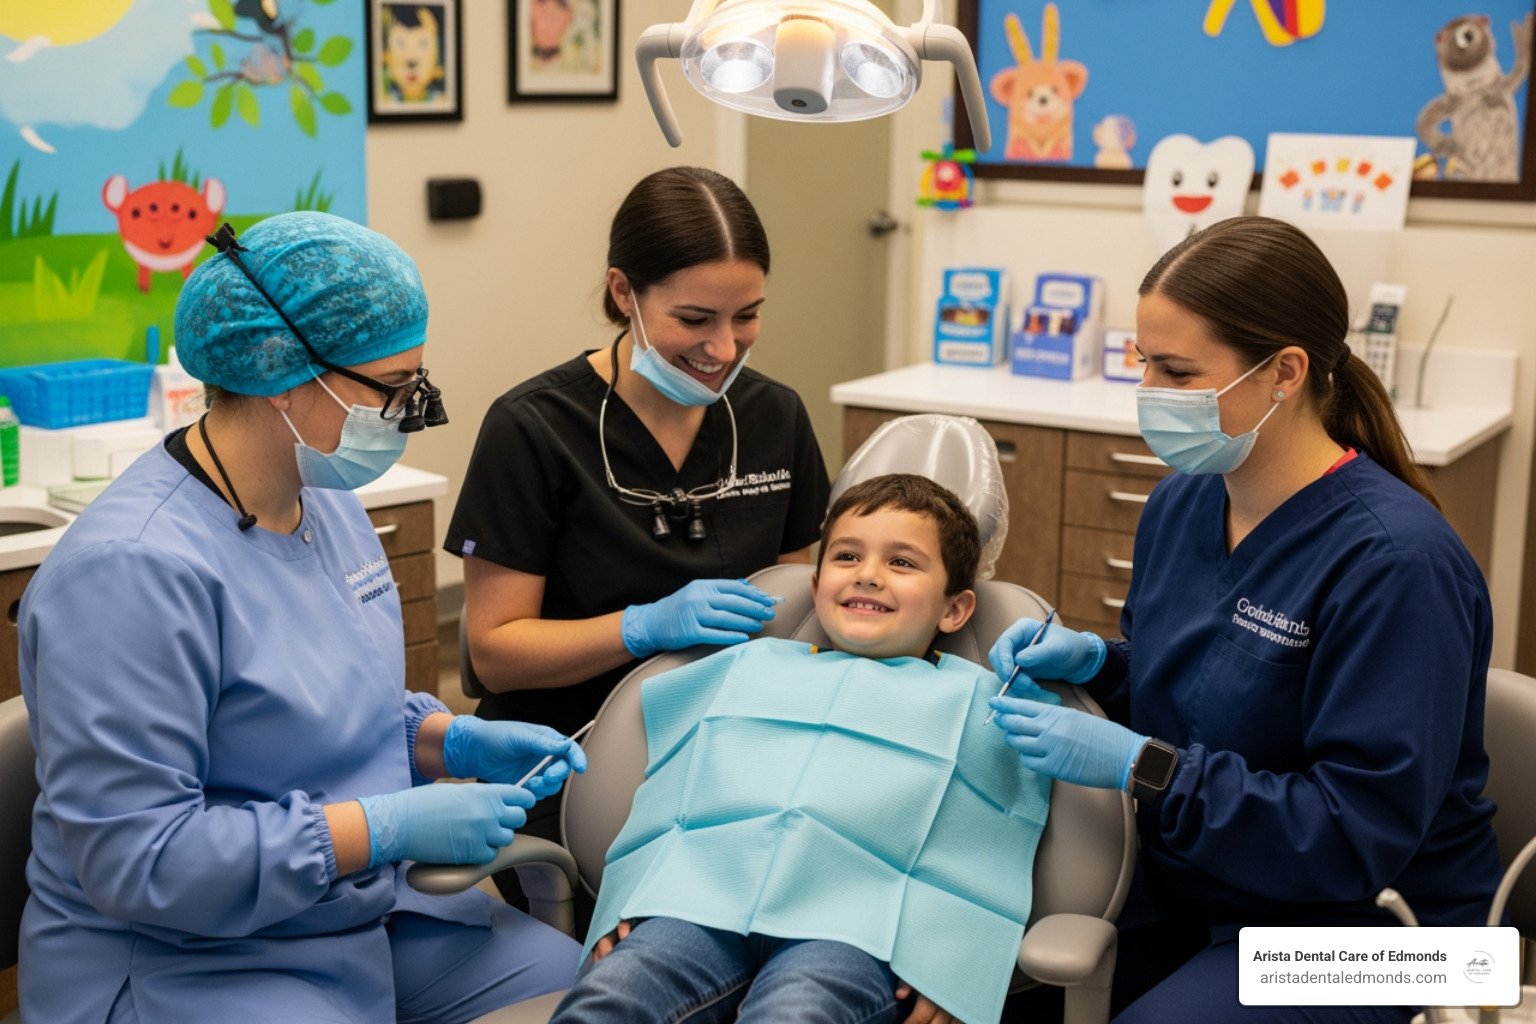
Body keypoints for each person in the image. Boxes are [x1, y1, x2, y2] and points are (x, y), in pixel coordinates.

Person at [18, 212, 588, 1024]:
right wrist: (386, 826)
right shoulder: (131, 573)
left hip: (354, 915)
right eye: (394, 389)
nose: (409, 413)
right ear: (284, 375)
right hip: (193, 955)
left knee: (584, 991)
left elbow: (308, 709)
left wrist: (445, 740)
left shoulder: (324, 500)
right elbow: (141, 859)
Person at [987, 215, 1503, 1024]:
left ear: (1285, 372)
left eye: (1179, 371)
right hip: (1203, 878)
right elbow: (1212, 691)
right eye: (1143, 361)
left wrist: (1142, 766)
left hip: (1384, 934)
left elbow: (1350, 837)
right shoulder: (1185, 501)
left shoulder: (1398, 565)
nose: (1149, 393)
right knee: (989, 985)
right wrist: (1100, 667)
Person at [444, 165, 831, 906]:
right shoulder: (534, 429)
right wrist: (641, 629)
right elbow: (494, 654)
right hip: (573, 763)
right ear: (624, 292)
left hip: (729, 751)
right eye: (694, 319)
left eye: (746, 315)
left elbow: (797, 607)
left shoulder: (774, 416)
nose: (724, 348)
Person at [548, 474, 1057, 1024]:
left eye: (902, 563)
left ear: (954, 610)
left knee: (797, 1014)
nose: (868, 575)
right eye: (846, 556)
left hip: (857, 930)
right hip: (700, 905)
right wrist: (630, 899)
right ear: (816, 588)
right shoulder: (743, 668)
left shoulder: (979, 703)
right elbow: (670, 801)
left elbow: (990, 844)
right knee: (612, 998)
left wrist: (949, 961)